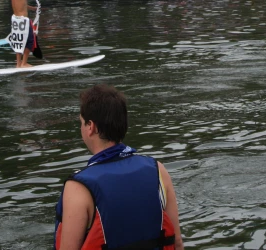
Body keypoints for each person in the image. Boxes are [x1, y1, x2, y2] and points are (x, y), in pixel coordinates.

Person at [53, 84, 183, 250]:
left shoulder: (78, 187)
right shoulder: (158, 170)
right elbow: (177, 242)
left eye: (81, 123)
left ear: (90, 127)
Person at [10, 0, 41, 68]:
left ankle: (18, 64)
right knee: (30, 40)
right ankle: (24, 63)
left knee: (18, 41)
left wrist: (32, 8)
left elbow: (20, 5)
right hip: (23, 22)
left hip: (16, 21)